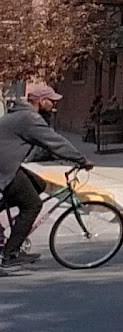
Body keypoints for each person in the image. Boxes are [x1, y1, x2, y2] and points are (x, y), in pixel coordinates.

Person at [1, 82, 92, 271]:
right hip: (5, 168)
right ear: (41, 101)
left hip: (7, 165)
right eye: (51, 101)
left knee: (39, 184)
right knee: (32, 205)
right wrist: (81, 159)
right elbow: (54, 142)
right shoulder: (29, 118)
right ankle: (10, 254)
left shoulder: (20, 114)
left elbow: (47, 143)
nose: (54, 104)